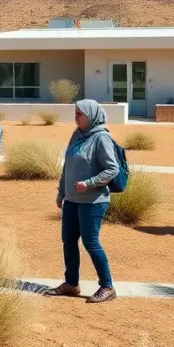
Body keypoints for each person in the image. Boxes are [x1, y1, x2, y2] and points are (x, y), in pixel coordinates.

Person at [47, 100, 119, 304]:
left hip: (93, 200)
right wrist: (62, 192)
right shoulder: (76, 134)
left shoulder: (101, 138)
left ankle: (107, 286)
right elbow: (67, 166)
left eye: (80, 113)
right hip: (72, 199)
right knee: (68, 241)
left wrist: (89, 183)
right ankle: (71, 284)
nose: (76, 116)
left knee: (91, 242)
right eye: (75, 112)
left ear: (91, 115)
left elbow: (112, 169)